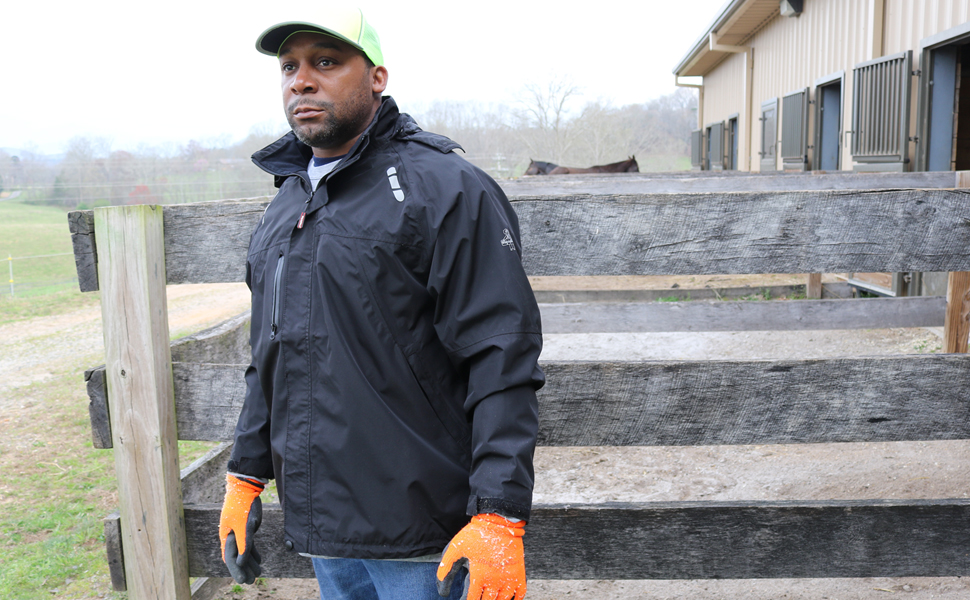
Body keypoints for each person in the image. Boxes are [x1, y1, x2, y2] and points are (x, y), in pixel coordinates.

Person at [217, 8, 545, 600]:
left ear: (377, 77)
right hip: (325, 531)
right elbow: (272, 354)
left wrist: (499, 514)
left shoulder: (443, 187)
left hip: (425, 537)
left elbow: (501, 353)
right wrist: (245, 475)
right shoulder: (287, 204)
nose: (301, 81)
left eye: (325, 61)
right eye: (289, 67)